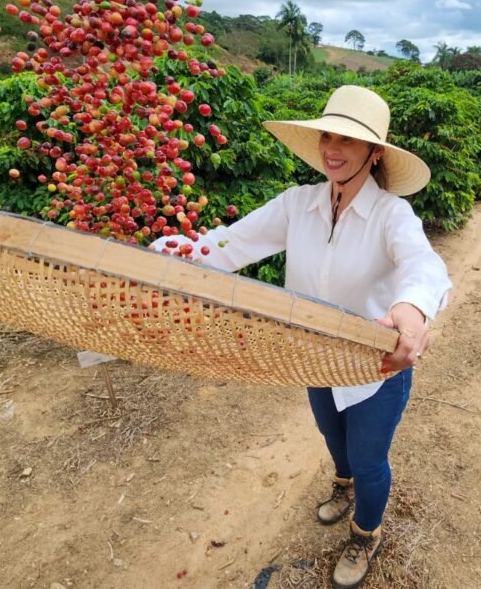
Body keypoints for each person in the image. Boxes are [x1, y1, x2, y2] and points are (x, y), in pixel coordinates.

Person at [150, 85, 451, 588]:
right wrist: (171, 257)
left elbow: (423, 263)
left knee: (370, 457)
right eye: (328, 137)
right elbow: (227, 245)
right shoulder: (298, 205)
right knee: (334, 439)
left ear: (375, 152)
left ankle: (365, 533)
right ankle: (342, 484)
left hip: (376, 368)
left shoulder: (390, 214)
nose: (333, 149)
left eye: (349, 142)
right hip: (313, 357)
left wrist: (412, 307)